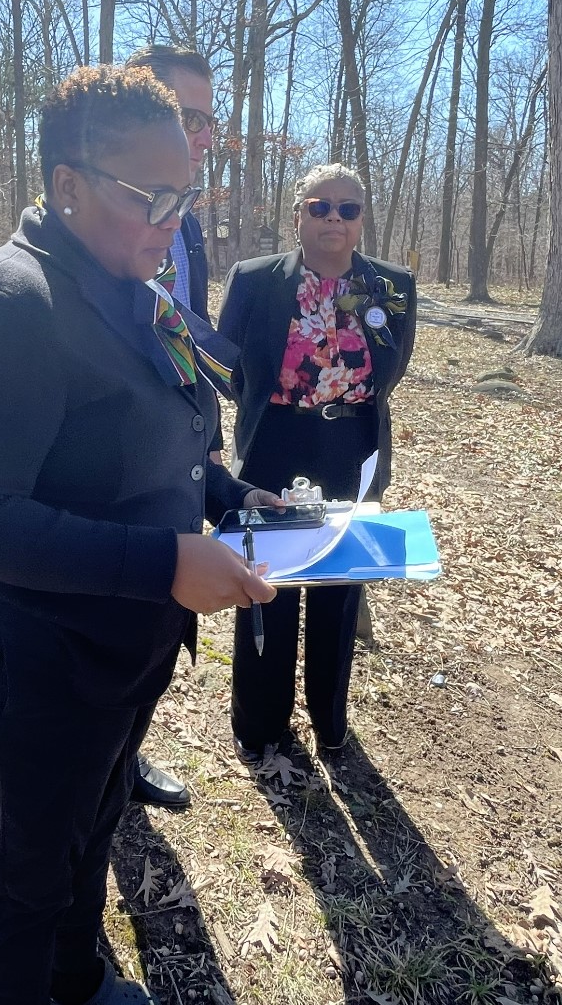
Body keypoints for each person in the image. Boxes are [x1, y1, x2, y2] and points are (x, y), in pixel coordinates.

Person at [0, 65, 278, 1005]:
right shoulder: (4, 305)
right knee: (29, 870)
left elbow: (157, 449)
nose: (171, 215)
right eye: (146, 193)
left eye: (185, 191)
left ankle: (78, 979)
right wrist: (165, 561)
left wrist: (242, 503)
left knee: (95, 819)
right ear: (66, 185)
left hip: (123, 637)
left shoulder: (134, 290)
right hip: (30, 650)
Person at [216, 163, 417, 758]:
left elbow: (393, 368)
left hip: (350, 449)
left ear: (361, 221)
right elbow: (229, 366)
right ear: (298, 214)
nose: (334, 217)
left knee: (339, 586)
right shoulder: (255, 279)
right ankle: (260, 726)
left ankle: (330, 721)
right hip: (274, 447)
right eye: (320, 206)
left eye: (348, 209)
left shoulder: (391, 286)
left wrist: (339, 404)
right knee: (264, 588)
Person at [122, 43, 218, 811]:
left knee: (153, 641)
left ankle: (125, 753)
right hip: (114, 480)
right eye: (186, 115)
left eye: (208, 121)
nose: (202, 134)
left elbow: (187, 325)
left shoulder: (186, 227)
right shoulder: (106, 213)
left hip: (178, 457)